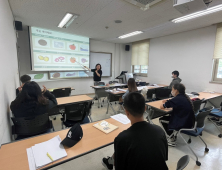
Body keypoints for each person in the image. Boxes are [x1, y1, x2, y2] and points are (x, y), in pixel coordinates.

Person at [102, 92, 168, 170]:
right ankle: (110, 161)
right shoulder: (159, 130)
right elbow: (164, 158)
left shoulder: (122, 139)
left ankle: (109, 161)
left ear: (126, 112)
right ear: (145, 108)